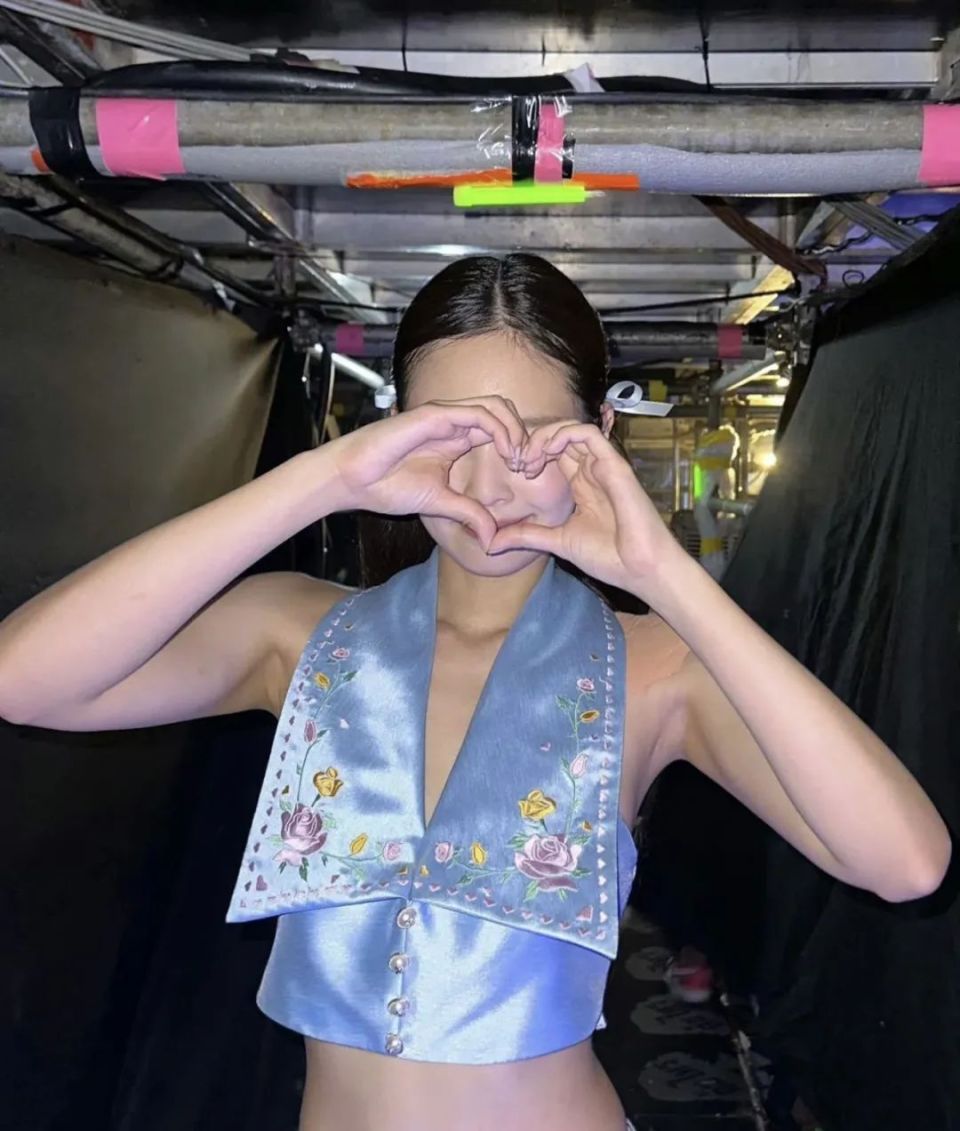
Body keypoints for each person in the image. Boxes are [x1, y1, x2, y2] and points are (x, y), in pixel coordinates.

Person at [0, 254, 949, 1131]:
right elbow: (23, 679)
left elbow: (905, 860)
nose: (491, 482)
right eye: (452, 432)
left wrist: (667, 576)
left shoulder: (654, 665)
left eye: (534, 437)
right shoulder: (297, 634)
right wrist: (319, 480)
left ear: (598, 437)